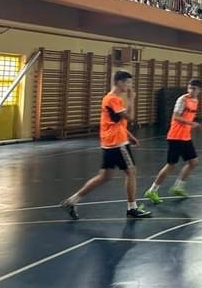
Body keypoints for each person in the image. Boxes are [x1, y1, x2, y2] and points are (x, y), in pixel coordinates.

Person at [60, 70, 152, 220]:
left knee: (104, 176)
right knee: (131, 172)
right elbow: (130, 117)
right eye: (128, 83)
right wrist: (131, 100)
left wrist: (130, 136)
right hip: (117, 143)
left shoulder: (112, 99)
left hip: (110, 142)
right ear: (119, 82)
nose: (130, 86)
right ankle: (132, 208)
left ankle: (72, 200)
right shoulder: (113, 99)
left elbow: (116, 122)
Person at [145, 78, 202, 203]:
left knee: (193, 162)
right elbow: (176, 116)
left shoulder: (195, 101)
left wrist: (190, 126)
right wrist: (192, 123)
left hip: (185, 137)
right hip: (176, 137)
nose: (191, 90)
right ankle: (152, 190)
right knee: (171, 165)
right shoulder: (183, 100)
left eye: (194, 88)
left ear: (199, 90)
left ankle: (178, 187)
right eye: (190, 88)